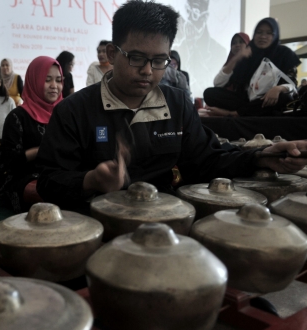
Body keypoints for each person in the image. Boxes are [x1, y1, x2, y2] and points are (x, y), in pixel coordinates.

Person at [35, 1, 307, 213]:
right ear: (112, 53)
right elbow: (48, 182)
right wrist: (91, 181)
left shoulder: (176, 103)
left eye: (159, 61)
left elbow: (208, 160)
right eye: (136, 58)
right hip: (98, 224)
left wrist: (262, 155)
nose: (147, 71)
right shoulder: (74, 111)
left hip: (168, 224)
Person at [0, 56, 63, 213]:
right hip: (24, 176)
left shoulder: (65, 113)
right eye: (47, 80)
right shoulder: (17, 117)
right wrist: (39, 151)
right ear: (34, 81)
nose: (54, 86)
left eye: (59, 80)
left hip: (61, 173)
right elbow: (8, 162)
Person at [203, 18, 300, 117]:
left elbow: (292, 83)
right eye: (259, 32)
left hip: (268, 100)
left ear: (274, 36)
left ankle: (233, 114)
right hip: (247, 100)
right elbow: (218, 83)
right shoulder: (248, 54)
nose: (263, 37)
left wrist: (278, 89)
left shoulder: (284, 54)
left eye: (268, 33)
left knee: (283, 98)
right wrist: (237, 58)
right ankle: (247, 111)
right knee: (209, 93)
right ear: (254, 34)